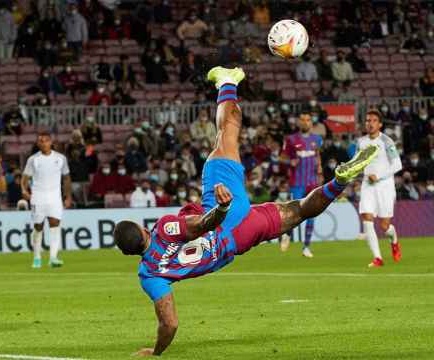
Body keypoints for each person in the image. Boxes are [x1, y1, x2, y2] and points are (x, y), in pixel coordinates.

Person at [112, 66, 380, 356]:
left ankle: (339, 181)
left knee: (300, 210)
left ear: (130, 253)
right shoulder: (164, 229)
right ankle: (227, 82)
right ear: (142, 229)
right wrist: (222, 207)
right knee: (226, 133)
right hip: (224, 213)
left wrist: (156, 351)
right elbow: (200, 225)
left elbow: (170, 324)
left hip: (239, 239)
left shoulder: (148, 274)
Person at [357, 110, 403, 267]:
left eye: (374, 120)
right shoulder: (361, 142)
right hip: (367, 186)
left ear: (380, 124)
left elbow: (398, 165)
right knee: (367, 218)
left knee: (385, 226)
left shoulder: (387, 141)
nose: (370, 123)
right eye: (368, 120)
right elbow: (358, 162)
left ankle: (394, 239)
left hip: (385, 186)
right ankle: (378, 258)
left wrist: (380, 175)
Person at [21, 133, 72, 268]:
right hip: (38, 197)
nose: (43, 143)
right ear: (38, 144)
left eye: (46, 141)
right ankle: (37, 257)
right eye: (40, 141)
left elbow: (66, 178)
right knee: (38, 227)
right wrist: (24, 190)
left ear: (51, 142)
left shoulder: (60, 158)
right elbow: (25, 178)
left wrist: (68, 196)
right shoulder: (33, 159)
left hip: (55, 197)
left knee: (55, 225)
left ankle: (53, 258)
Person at [282, 111, 323, 258]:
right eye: (303, 119)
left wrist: (320, 169)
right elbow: (282, 158)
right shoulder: (291, 139)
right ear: (299, 122)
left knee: (312, 213)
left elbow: (318, 155)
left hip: (312, 182)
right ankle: (287, 233)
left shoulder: (317, 139)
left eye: (308, 120)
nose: (305, 122)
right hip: (297, 183)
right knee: (295, 212)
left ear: (311, 122)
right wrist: (289, 162)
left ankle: (306, 246)